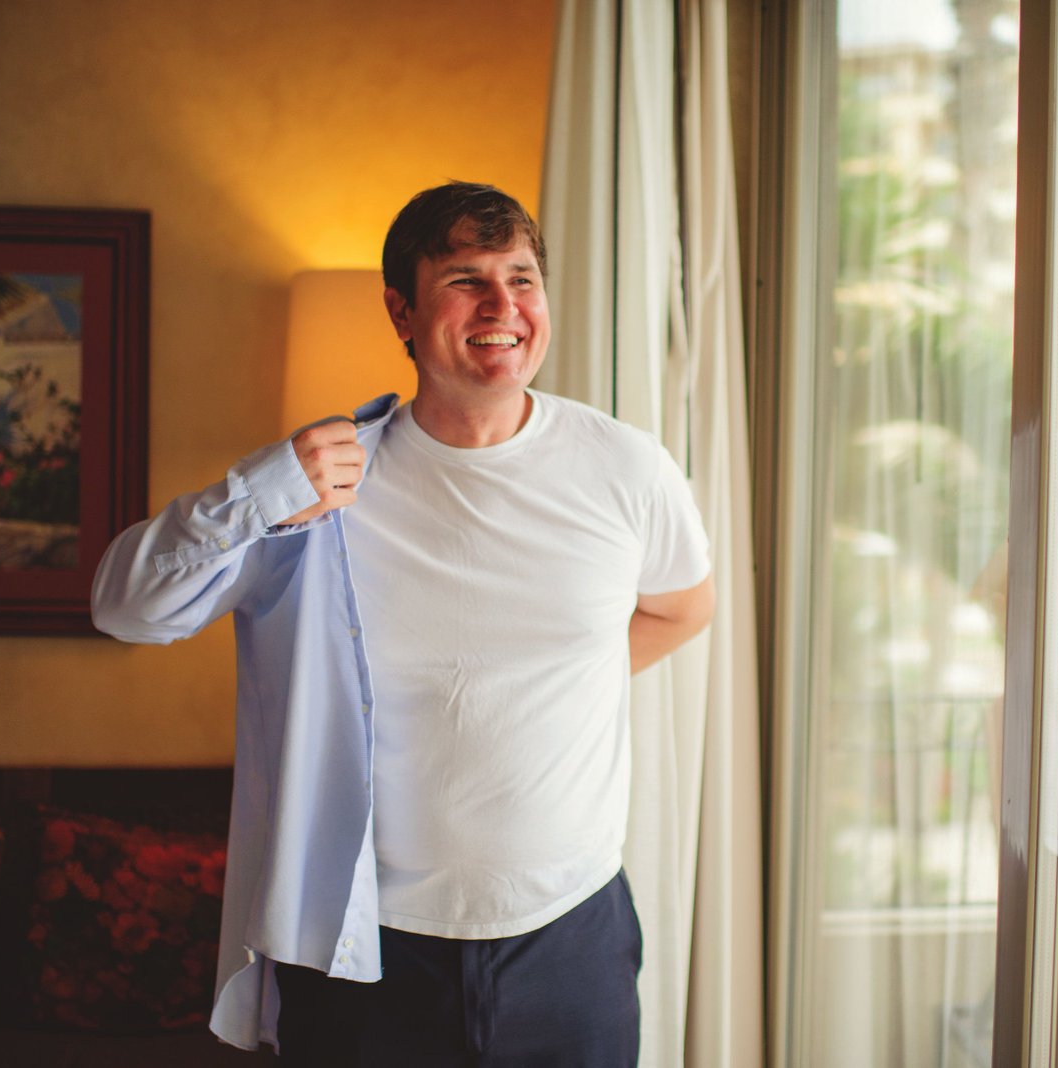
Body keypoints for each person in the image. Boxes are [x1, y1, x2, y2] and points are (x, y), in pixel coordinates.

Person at [91, 181, 715, 1066]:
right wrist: (255, 493)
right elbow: (124, 609)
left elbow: (685, 606)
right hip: (365, 946)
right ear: (403, 311)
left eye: (523, 278)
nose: (504, 306)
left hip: (572, 931)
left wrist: (553, 688)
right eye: (467, 279)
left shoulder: (628, 469)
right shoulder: (314, 491)